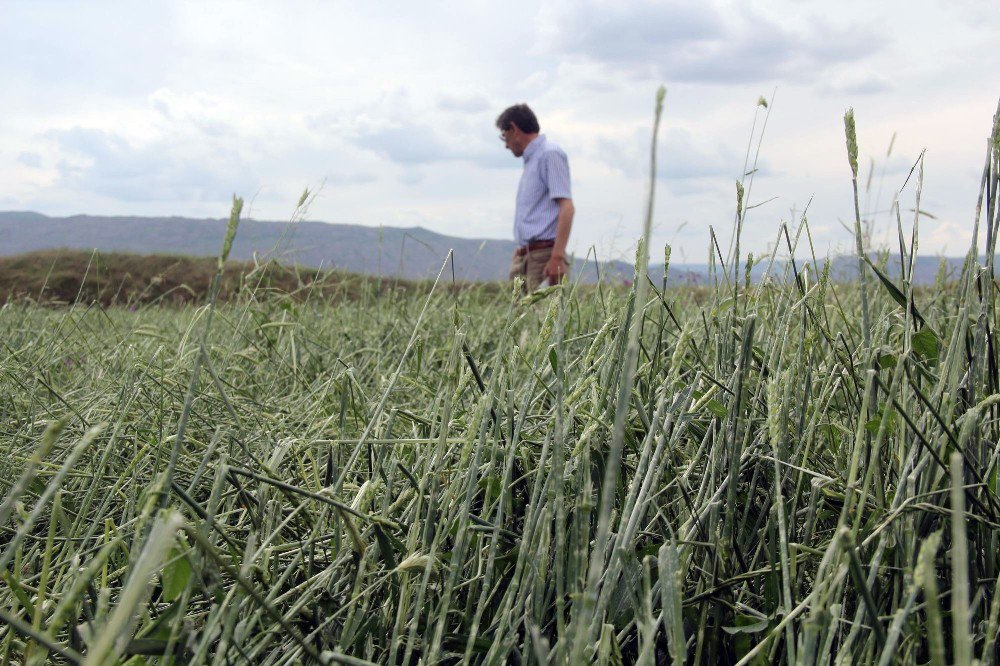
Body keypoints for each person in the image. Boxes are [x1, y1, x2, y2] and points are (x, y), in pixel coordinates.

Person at [496, 103, 574, 292]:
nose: (506, 145)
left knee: (541, 318)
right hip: (526, 256)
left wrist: (557, 257)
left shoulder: (549, 154)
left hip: (544, 257)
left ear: (514, 129)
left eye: (504, 137)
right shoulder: (532, 160)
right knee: (520, 320)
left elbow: (567, 207)